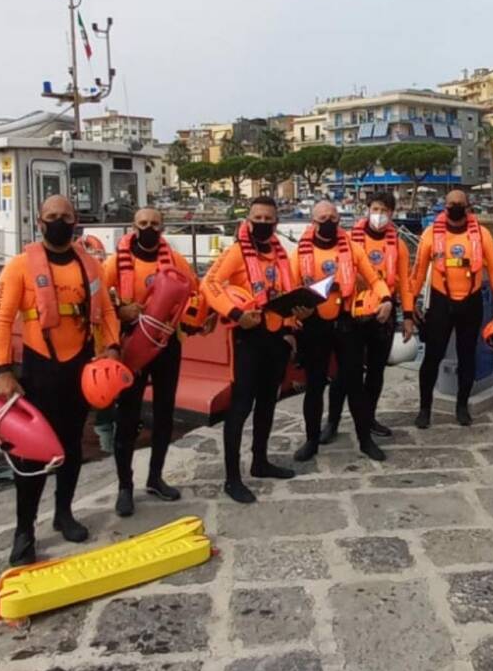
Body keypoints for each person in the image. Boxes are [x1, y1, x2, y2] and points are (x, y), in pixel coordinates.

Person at [0, 195, 120, 565]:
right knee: (30, 454)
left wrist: (112, 347)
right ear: (40, 222)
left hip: (79, 368)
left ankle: (64, 514)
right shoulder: (19, 267)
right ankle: (24, 531)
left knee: (71, 446)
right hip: (38, 370)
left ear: (75, 221)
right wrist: (2, 370)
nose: (59, 221)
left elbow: (107, 310)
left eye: (65, 216)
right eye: (52, 216)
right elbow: (1, 321)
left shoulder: (91, 265)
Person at [103, 207, 209, 517]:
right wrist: (121, 311)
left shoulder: (175, 261)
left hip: (167, 345)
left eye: (155, 224)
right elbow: (98, 299)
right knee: (127, 418)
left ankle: (155, 477)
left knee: (164, 413)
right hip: (132, 346)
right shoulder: (115, 263)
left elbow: (196, 292)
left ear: (163, 229)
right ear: (133, 227)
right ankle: (125, 486)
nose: (149, 229)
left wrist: (203, 318)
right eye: (143, 224)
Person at [203, 197, 309, 503]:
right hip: (249, 338)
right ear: (249, 221)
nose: (262, 223)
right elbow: (209, 284)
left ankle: (260, 461)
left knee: (267, 404)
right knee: (240, 407)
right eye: (257, 218)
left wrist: (293, 327)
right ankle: (232, 478)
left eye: (268, 218)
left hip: (276, 340)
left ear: (276, 223)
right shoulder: (237, 252)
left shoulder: (281, 255)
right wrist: (236, 315)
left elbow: (286, 295)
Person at [291, 201, 392, 462]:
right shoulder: (299, 254)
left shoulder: (352, 248)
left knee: (354, 383)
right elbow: (290, 289)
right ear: (313, 222)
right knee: (314, 386)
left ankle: (365, 440)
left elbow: (374, 278)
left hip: (347, 323)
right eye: (323, 217)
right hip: (314, 325)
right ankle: (311, 441)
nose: (329, 221)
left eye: (333, 217)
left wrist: (386, 299)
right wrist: (294, 315)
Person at [321, 192, 415, 443]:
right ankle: (332, 421)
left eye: (384, 210)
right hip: (352, 314)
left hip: (383, 315)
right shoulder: (350, 241)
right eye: (375, 208)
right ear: (367, 210)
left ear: (392, 214)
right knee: (344, 373)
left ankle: (369, 417)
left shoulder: (400, 246)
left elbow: (405, 283)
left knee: (376, 372)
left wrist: (407, 316)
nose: (379, 214)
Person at [410, 189, 493, 428]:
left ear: (467, 207)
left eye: (459, 204)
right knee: (432, 357)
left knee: (468, 355)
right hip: (440, 302)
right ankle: (425, 408)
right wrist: (409, 303)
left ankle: (462, 406)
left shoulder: (481, 234)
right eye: (450, 203)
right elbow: (419, 272)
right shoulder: (431, 233)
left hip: (471, 302)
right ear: (444, 207)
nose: (455, 207)